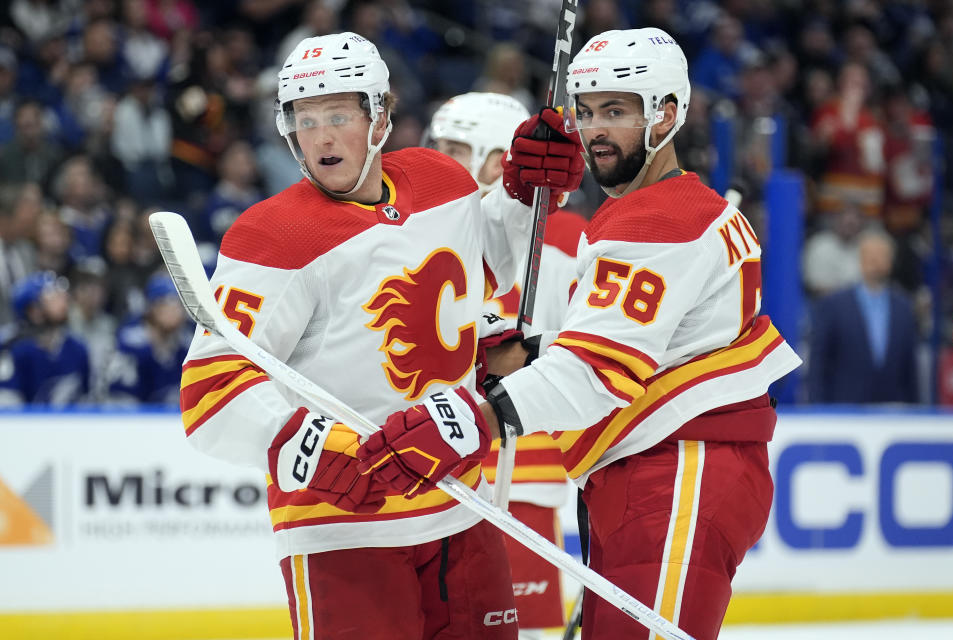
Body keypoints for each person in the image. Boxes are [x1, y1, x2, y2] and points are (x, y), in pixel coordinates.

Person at [356, 28, 802, 640]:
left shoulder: (658, 221)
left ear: (666, 115)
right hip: (648, 472)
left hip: (674, 474)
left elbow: (597, 372)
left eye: (616, 111)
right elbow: (648, 347)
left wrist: (474, 417)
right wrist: (528, 352)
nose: (595, 129)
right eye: (587, 111)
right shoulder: (666, 211)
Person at [177, 32, 583, 640]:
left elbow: (487, 263)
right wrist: (300, 440)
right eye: (304, 118)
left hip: (460, 509)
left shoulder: (439, 179)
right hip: (346, 528)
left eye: (338, 114)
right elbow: (209, 391)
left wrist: (526, 194)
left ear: (381, 117)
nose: (320, 135)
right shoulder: (271, 237)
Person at [424, 92, 586, 638]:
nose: (441, 159)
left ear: (499, 160)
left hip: (524, 474)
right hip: (439, 470)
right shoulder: (421, 236)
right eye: (437, 145)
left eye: (456, 148)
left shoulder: (564, 241)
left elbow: (585, 352)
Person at [808, 229, 918, 404]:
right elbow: (819, 364)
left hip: (892, 411)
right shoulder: (833, 305)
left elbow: (910, 367)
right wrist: (818, 409)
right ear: (859, 259)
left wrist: (913, 409)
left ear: (891, 260)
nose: (875, 261)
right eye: (870, 255)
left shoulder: (903, 307)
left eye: (882, 255)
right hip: (845, 410)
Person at [0, 271, 91, 406]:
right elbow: (7, 404)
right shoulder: (12, 348)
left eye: (62, 295)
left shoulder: (77, 348)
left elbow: (86, 400)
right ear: (33, 310)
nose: (64, 300)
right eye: (53, 297)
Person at [106, 272, 191, 406]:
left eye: (178, 304)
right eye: (166, 303)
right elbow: (120, 402)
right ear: (151, 307)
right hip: (134, 421)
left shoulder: (186, 346)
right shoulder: (131, 345)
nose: (174, 310)